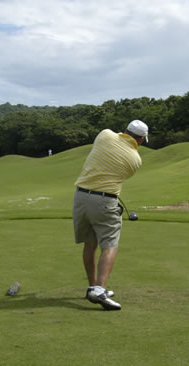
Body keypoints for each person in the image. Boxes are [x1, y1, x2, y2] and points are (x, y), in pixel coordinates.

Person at [72, 120, 149, 310]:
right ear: (140, 139)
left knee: (90, 243)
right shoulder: (135, 159)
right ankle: (99, 289)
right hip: (105, 202)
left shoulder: (104, 134)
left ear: (125, 130)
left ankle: (93, 287)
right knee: (110, 244)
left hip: (80, 197)